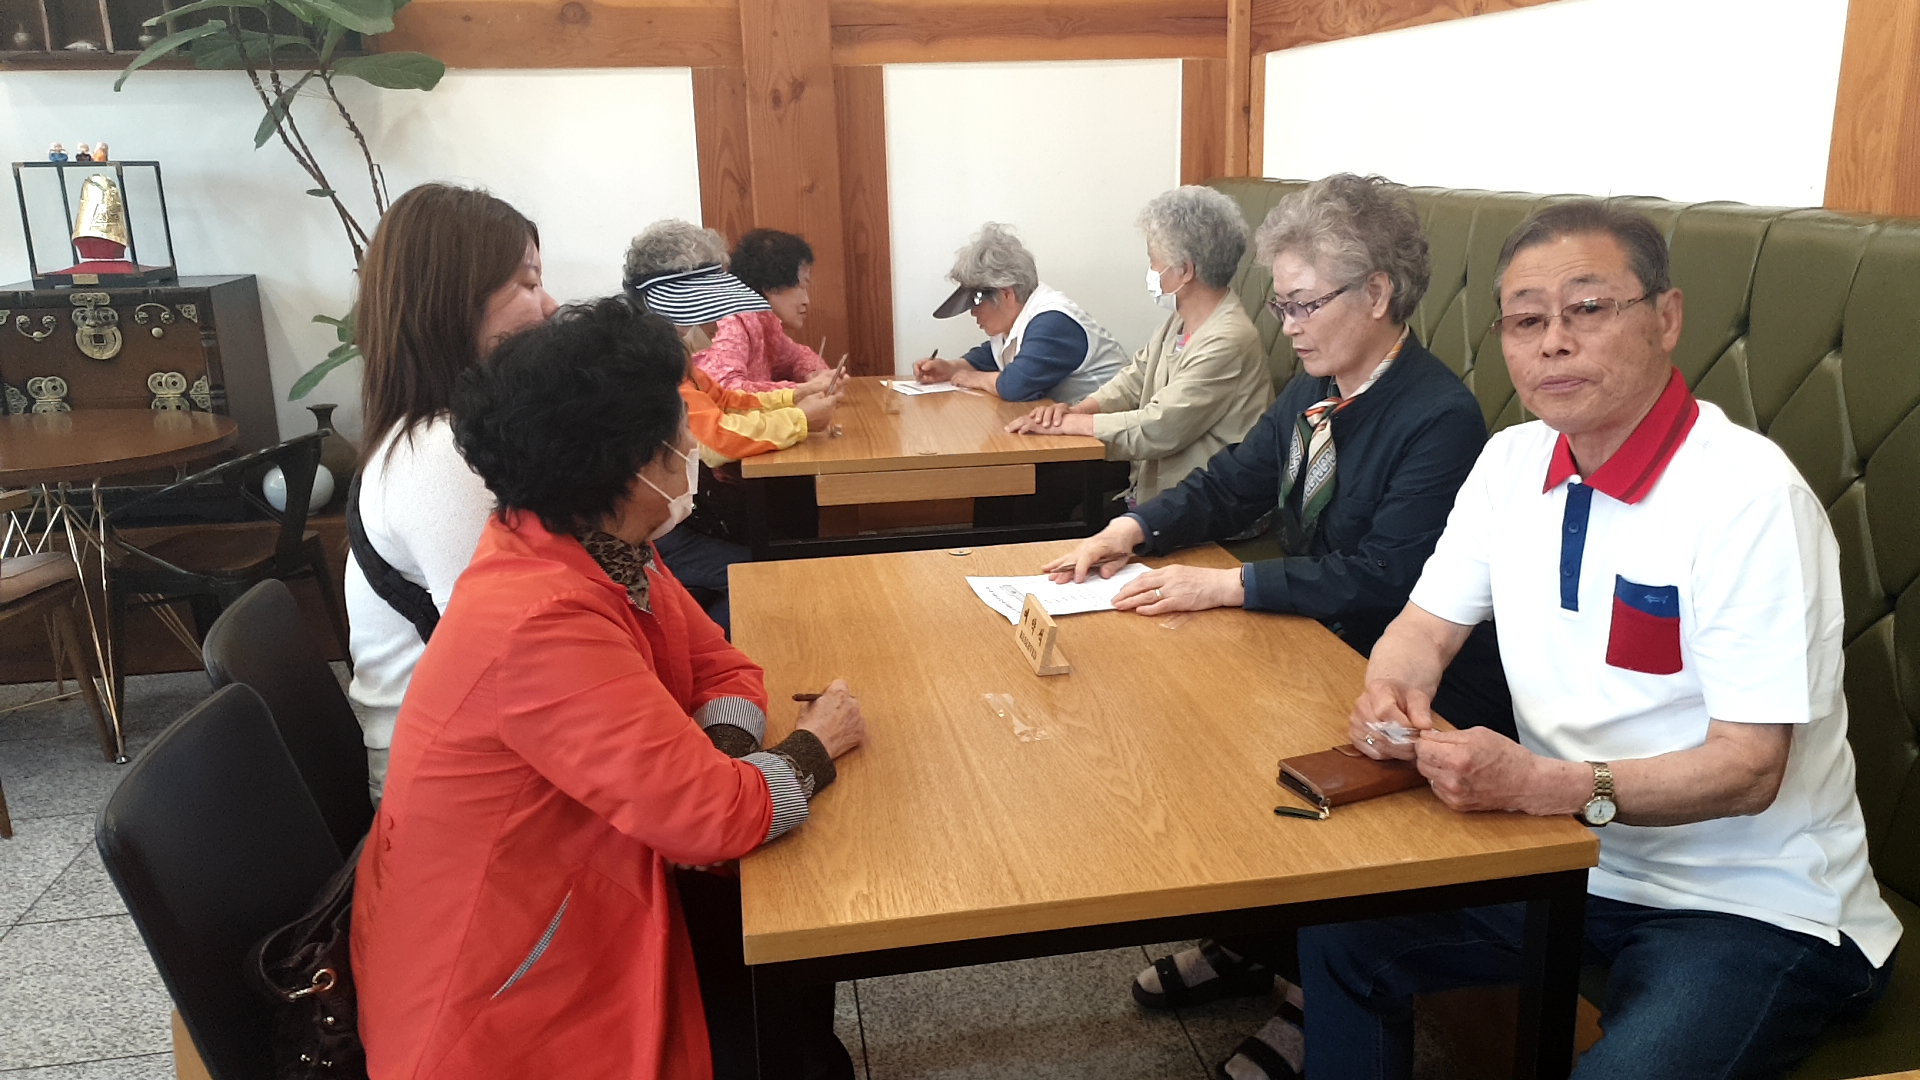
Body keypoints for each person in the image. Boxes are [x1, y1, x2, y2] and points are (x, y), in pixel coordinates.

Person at [1287, 202, 1903, 1080]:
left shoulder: (1749, 497)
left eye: (1587, 308)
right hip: (1568, 860)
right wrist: (1393, 691)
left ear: (1666, 318)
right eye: (1525, 320)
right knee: (1344, 931)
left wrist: (1546, 785)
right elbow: (1421, 628)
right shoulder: (1509, 463)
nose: (1553, 343)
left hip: (1753, 903)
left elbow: (1751, 769)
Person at [1041, 174, 1515, 1076]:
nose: (1287, 325)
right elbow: (1234, 483)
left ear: (1376, 293)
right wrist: (1131, 530)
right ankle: (1251, 941)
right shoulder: (1314, 388)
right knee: (1188, 720)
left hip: (1417, 680)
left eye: (1303, 303)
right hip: (1316, 639)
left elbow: (1384, 577)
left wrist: (1228, 586)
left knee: (1236, 733)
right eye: (1281, 304)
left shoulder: (1439, 419)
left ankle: (1309, 991)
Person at [351, 297, 867, 1080]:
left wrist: (721, 754)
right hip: (501, 998)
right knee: (798, 1030)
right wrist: (813, 745)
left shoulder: (595, 543)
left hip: (583, 881)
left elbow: (723, 668)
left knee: (795, 1000)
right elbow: (712, 817)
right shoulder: (537, 619)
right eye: (678, 436)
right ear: (631, 466)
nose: (690, 449)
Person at [344, 183, 557, 800]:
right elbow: (514, 660)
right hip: (454, 788)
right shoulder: (440, 454)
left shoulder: (452, 433)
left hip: (485, 745)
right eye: (528, 283)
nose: (549, 307)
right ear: (452, 303)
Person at [620, 219, 842, 632]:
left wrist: (795, 397)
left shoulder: (668, 349)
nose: (714, 321)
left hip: (680, 515)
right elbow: (714, 441)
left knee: (775, 548)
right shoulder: (646, 364)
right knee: (760, 575)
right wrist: (800, 418)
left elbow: (724, 399)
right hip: (652, 533)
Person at [1007, 186, 1273, 504]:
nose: (1151, 272)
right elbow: (1134, 379)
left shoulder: (1227, 339)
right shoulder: (1180, 321)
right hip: (1164, 494)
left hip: (1210, 507)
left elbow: (1159, 427)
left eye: (1153, 261)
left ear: (1185, 270)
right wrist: (1077, 410)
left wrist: (1070, 424)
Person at [912, 222, 1126, 403]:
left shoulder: (1053, 322)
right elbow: (993, 356)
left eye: (976, 301)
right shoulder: (1020, 321)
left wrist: (973, 378)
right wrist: (951, 368)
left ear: (1006, 294)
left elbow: (1015, 386)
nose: (973, 312)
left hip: (1105, 432)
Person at [695, 228, 838, 392]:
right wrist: (800, 390)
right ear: (770, 286)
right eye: (802, 286)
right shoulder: (732, 322)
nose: (807, 300)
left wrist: (814, 373)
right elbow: (726, 390)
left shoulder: (765, 321)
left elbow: (796, 356)